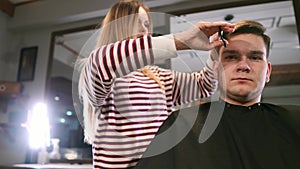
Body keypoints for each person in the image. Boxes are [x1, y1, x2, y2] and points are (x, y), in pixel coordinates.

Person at [77, 0, 235, 168]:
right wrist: (181, 41)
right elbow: (102, 60)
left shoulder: (158, 77)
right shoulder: (100, 72)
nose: (144, 30)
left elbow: (203, 85)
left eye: (146, 24)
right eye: (137, 22)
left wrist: (214, 52)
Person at [135, 20, 300, 169]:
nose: (244, 66)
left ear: (268, 71)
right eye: (231, 57)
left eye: (255, 57)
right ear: (215, 69)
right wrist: (179, 41)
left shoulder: (294, 121)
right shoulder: (181, 126)